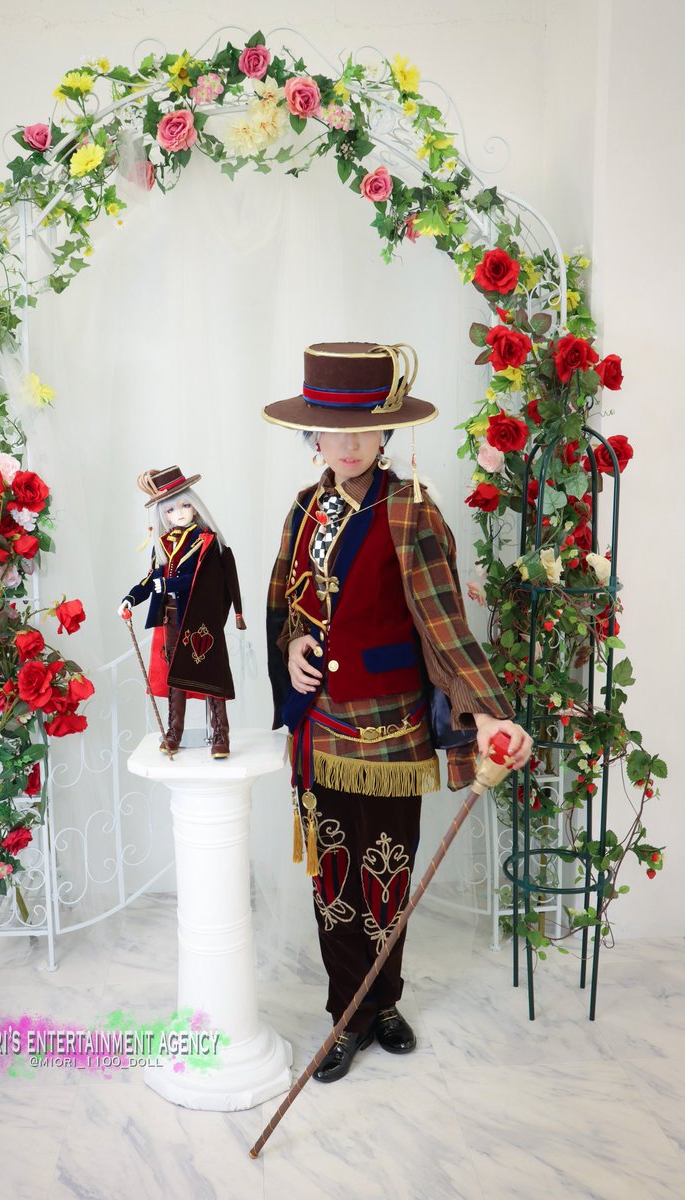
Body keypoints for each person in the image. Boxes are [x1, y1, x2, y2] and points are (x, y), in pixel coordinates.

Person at [264, 341, 532, 1082]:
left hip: (391, 730)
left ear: (387, 432)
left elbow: (443, 624)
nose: (348, 444)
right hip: (320, 729)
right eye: (332, 429)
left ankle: (383, 1003)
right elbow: (285, 607)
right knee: (333, 879)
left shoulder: (410, 509)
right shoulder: (303, 510)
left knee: (387, 871)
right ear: (312, 434)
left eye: (363, 429)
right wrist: (292, 647)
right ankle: (344, 1015)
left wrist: (486, 713)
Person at [118, 466, 246, 757]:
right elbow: (152, 578)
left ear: (195, 506)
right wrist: (131, 598)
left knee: (211, 672)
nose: (179, 513)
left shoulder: (207, 541)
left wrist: (168, 584)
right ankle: (174, 731)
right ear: (163, 515)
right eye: (171, 509)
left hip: (199, 616)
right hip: (171, 617)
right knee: (174, 675)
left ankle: (220, 734)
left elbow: (202, 579)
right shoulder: (163, 544)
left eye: (185, 505)